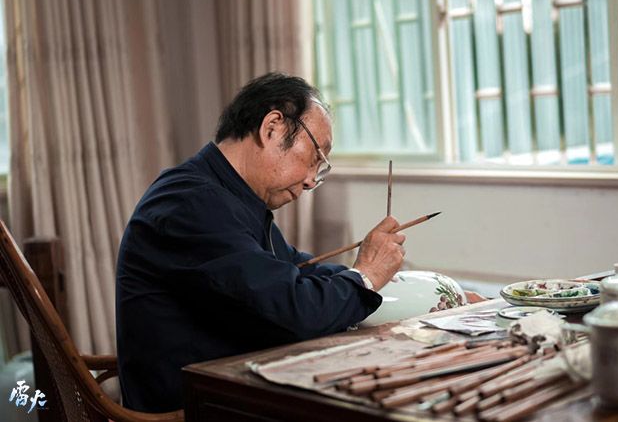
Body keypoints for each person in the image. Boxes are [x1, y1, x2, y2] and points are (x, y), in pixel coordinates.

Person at [115, 73, 406, 412]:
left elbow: (296, 269)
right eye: (315, 158)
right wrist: (365, 277)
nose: (311, 180)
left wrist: (377, 276)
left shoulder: (229, 196)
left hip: (234, 391)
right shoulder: (190, 203)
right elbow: (294, 311)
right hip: (195, 409)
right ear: (272, 128)